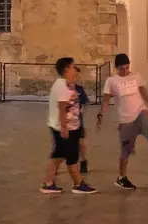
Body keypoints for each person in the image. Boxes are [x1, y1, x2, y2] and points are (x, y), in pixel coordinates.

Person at [97, 53, 148, 190]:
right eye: (121, 69)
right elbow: (106, 100)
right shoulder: (111, 81)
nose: (125, 71)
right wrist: (101, 114)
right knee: (126, 151)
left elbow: (144, 92)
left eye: (126, 67)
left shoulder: (136, 76)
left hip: (141, 113)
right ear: (116, 68)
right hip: (126, 120)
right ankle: (122, 178)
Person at [40, 57, 97, 195]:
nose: (74, 69)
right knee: (71, 157)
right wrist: (65, 128)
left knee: (58, 156)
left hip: (67, 127)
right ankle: (78, 184)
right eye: (72, 67)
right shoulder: (62, 86)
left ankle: (48, 183)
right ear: (66, 70)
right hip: (65, 129)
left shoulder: (63, 84)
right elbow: (62, 107)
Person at [74, 68, 90, 174]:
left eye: (77, 76)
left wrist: (83, 110)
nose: (75, 78)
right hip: (65, 122)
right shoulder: (62, 89)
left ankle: (83, 162)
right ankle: (55, 165)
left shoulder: (79, 89)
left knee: (81, 143)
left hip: (78, 121)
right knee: (60, 145)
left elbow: (85, 102)